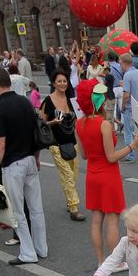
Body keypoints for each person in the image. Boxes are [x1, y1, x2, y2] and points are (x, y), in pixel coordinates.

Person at [0, 66, 49, 267]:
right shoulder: (25, 102)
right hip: (30, 158)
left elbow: (0, 142)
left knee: (18, 211)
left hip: (13, 164)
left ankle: (28, 253)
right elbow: (35, 133)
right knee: (36, 208)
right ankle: (41, 248)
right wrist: (36, 157)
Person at [77, 78, 138, 266]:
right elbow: (111, 157)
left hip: (92, 175)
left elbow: (83, 155)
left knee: (96, 220)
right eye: (101, 95)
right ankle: (117, 263)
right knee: (112, 220)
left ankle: (100, 260)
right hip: (108, 175)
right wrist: (132, 146)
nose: (104, 98)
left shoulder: (79, 124)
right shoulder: (103, 124)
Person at [40, 72, 85, 222]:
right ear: (53, 83)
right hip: (56, 144)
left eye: (64, 81)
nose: (62, 84)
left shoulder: (72, 100)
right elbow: (41, 124)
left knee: (73, 176)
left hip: (72, 143)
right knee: (68, 177)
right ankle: (74, 208)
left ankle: (69, 199)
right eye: (59, 81)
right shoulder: (48, 101)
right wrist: (53, 122)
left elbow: (79, 119)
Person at [118, 51, 138, 163]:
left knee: (128, 132)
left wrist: (122, 107)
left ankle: (130, 155)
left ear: (124, 63)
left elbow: (126, 95)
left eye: (120, 64)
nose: (120, 66)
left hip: (130, 107)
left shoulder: (127, 75)